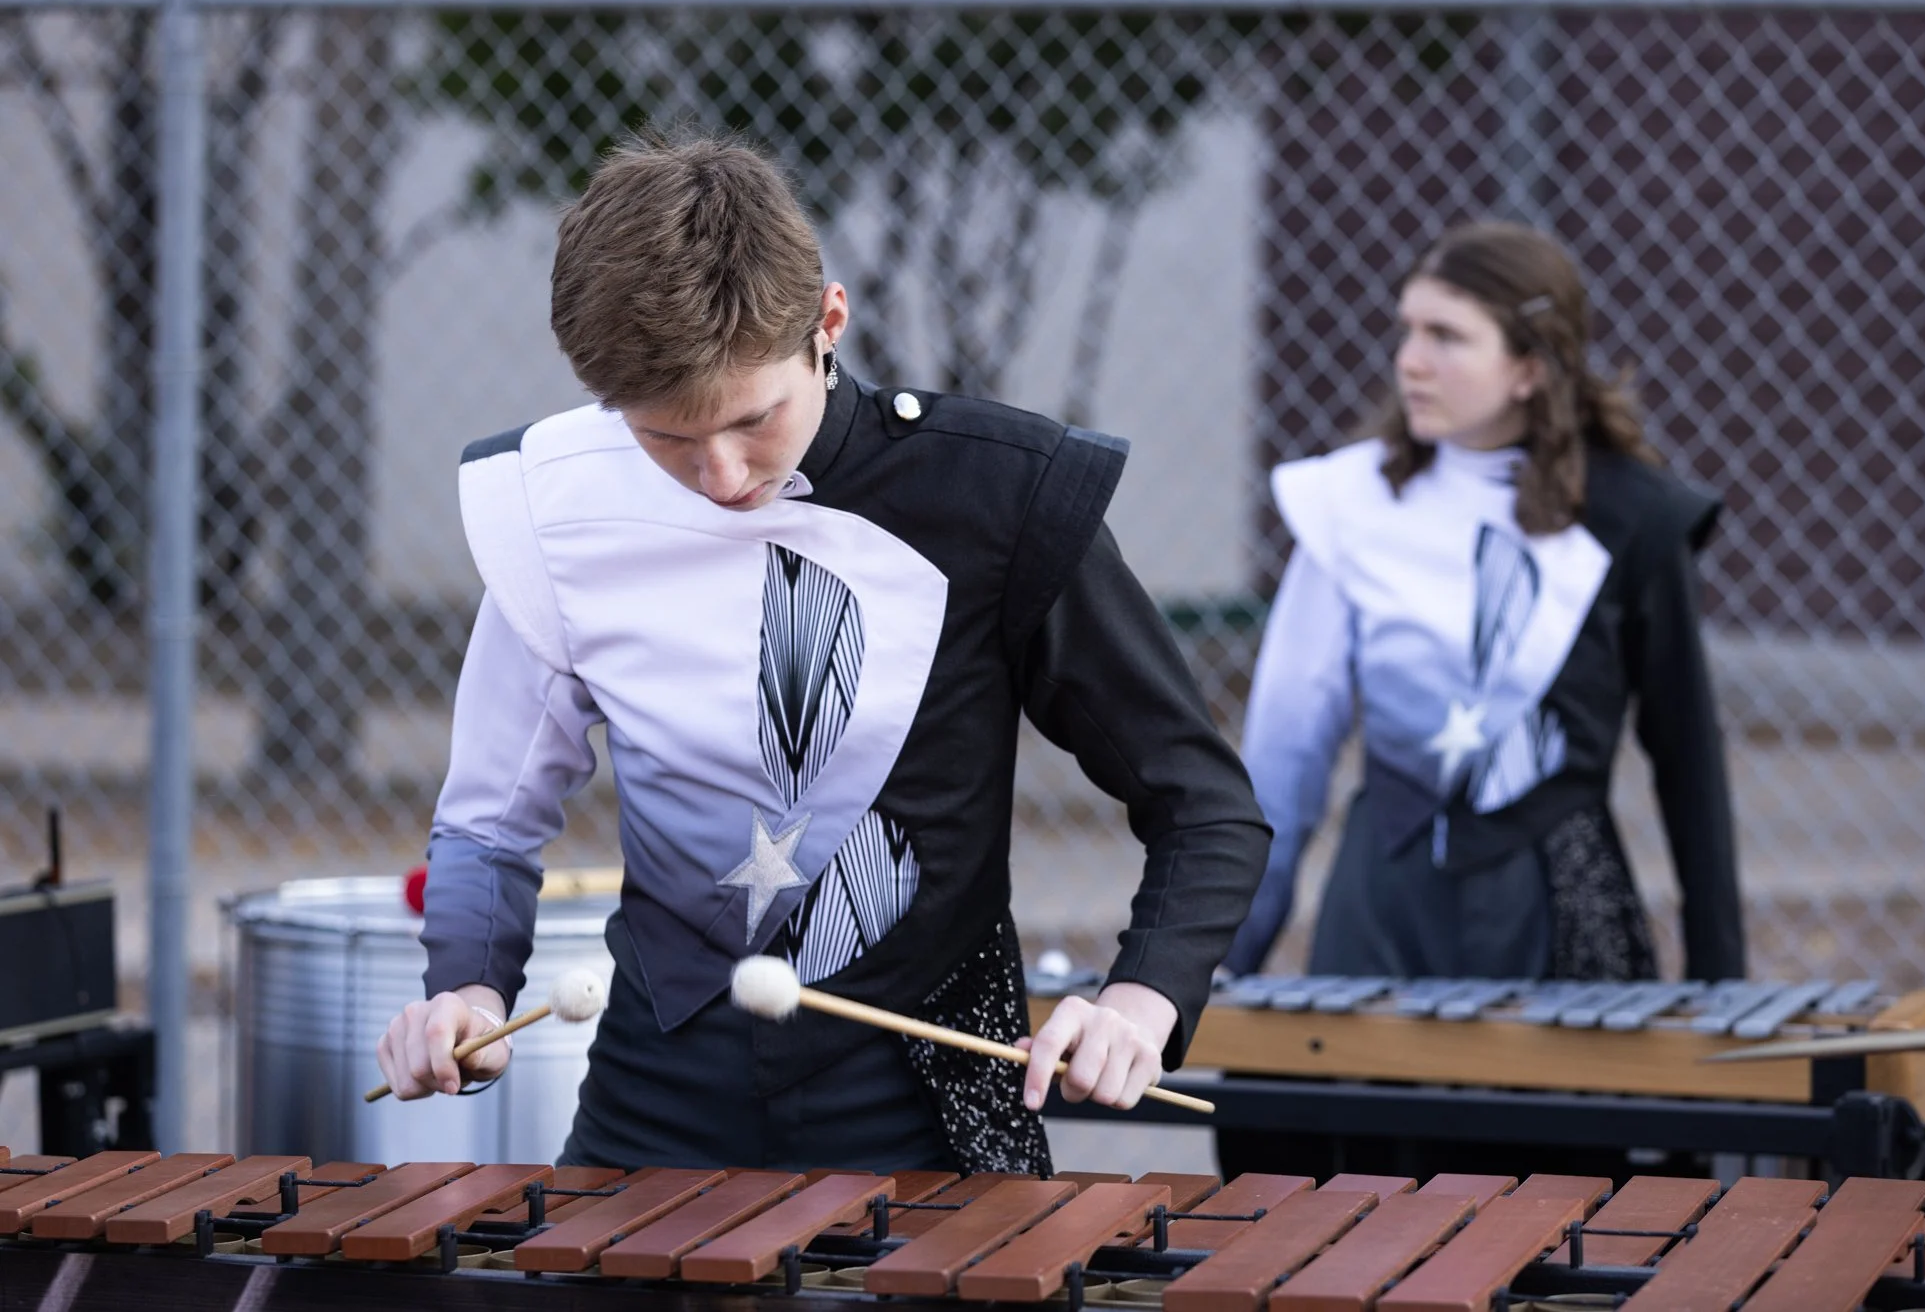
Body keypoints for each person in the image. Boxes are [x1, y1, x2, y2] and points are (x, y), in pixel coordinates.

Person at [373, 130, 1270, 1177]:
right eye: (665, 438)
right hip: (653, 1100)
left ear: (827, 323)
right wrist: (468, 986)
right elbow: (490, 817)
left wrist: (1140, 997)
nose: (718, 475)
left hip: (929, 1108)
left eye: (752, 420)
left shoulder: (995, 494)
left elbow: (1204, 803)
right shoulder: (558, 512)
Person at [1219, 221, 1744, 1177]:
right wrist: (1225, 959)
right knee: (1355, 1206)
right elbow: (1286, 756)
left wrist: (1722, 989)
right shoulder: (1347, 505)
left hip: (1561, 919)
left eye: (1447, 336)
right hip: (1381, 905)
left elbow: (1689, 765)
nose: (1410, 360)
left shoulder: (1634, 517)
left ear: (1531, 367)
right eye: (1407, 330)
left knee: (1568, 1215)